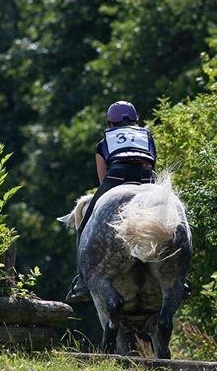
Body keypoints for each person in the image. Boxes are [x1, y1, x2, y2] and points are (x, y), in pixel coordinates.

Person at [66, 101, 157, 303]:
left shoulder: (103, 142)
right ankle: (181, 279)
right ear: (136, 120)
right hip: (146, 178)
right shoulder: (147, 136)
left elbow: (102, 178)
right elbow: (151, 163)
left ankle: (81, 280)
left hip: (116, 177)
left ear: (110, 122)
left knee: (85, 223)